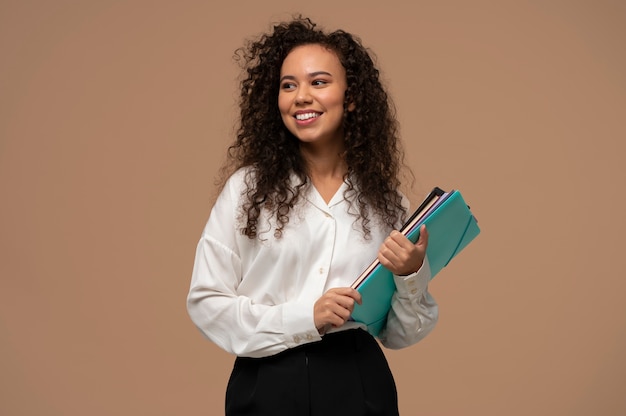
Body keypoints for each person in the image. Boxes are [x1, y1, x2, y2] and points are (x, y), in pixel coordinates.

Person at [187, 15, 438, 416]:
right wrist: (306, 317)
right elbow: (206, 303)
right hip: (266, 382)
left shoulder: (386, 202)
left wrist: (411, 274)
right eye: (289, 85)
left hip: (359, 383)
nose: (301, 96)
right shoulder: (247, 190)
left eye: (318, 82)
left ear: (351, 96)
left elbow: (401, 334)